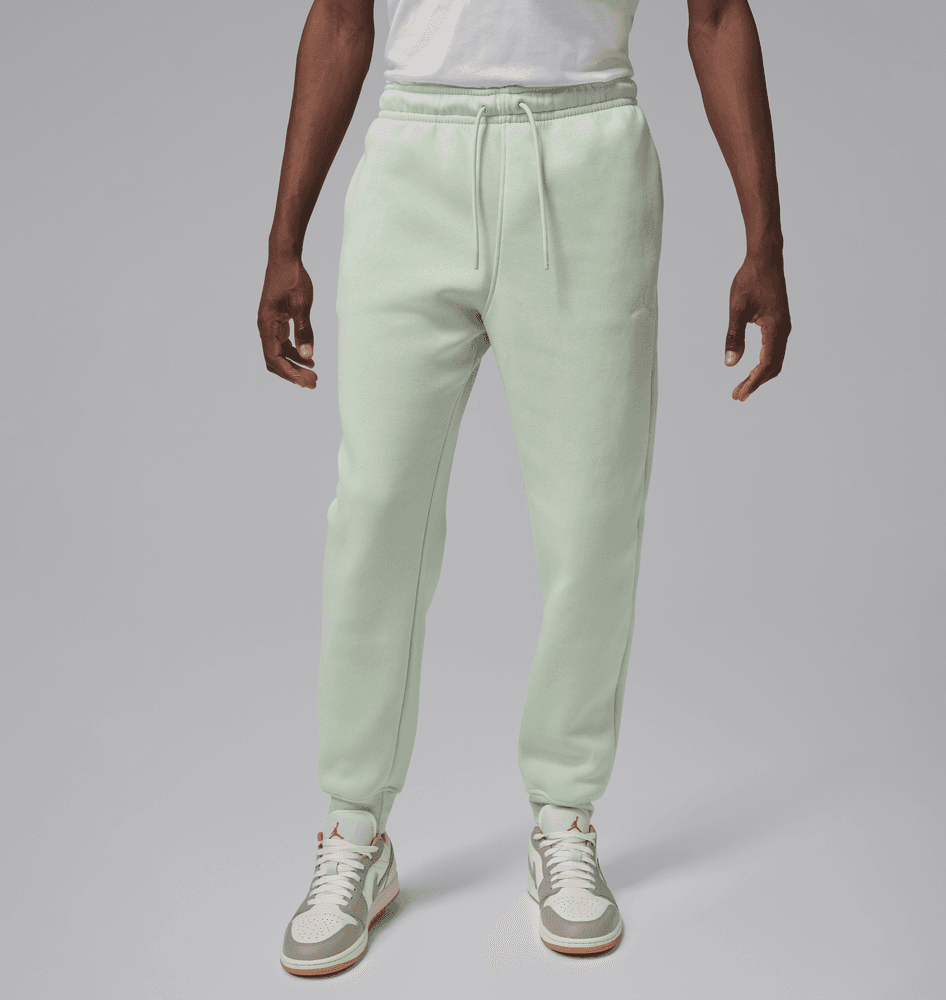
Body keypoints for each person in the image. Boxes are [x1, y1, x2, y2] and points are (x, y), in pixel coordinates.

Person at [257, 0, 791, 977]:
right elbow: (339, 16)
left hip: (587, 150)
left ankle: (563, 814)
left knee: (593, 516)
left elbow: (715, 14)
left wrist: (766, 240)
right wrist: (283, 239)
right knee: (375, 511)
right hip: (414, 150)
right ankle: (355, 827)